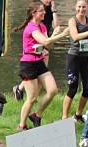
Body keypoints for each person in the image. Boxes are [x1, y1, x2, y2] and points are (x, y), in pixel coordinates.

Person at [14, 2, 69, 130]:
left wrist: (54, 34)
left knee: (52, 90)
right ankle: (21, 125)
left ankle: (36, 115)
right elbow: (44, 41)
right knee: (32, 98)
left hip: (39, 61)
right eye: (41, 11)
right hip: (28, 64)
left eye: (44, 10)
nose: (44, 12)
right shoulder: (31, 27)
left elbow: (47, 45)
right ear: (34, 13)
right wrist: (62, 35)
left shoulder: (42, 26)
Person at [62, 0, 88, 121]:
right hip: (74, 58)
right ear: (76, 7)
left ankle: (78, 115)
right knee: (73, 89)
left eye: (84, 7)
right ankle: (64, 117)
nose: (81, 9)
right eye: (79, 7)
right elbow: (75, 37)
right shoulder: (72, 21)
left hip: (87, 58)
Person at [14, 0, 59, 101]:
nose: (49, 0)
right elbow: (32, 27)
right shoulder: (37, 7)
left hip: (45, 38)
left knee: (41, 71)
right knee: (36, 72)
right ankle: (24, 91)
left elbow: (56, 26)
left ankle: (26, 93)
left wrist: (54, 10)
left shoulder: (48, 10)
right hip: (38, 41)